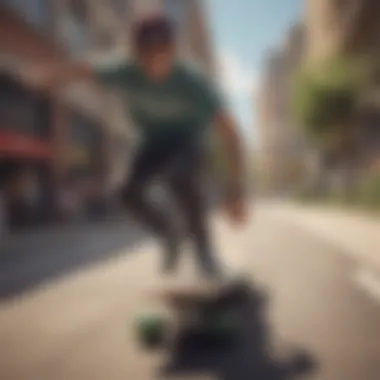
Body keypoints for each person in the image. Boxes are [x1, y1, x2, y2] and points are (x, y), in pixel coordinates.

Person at [29, 15, 247, 278]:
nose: (154, 64)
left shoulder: (192, 81)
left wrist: (234, 188)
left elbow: (230, 132)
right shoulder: (124, 70)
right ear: (135, 53)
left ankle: (204, 253)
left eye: (162, 54)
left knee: (180, 175)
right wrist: (49, 78)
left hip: (187, 140)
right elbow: (83, 69)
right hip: (152, 142)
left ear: (173, 51)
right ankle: (169, 235)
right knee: (125, 193)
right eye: (146, 56)